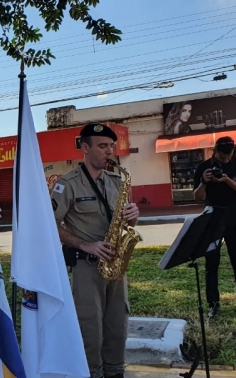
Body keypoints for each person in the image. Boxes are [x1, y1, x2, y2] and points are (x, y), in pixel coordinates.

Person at [50, 123, 140, 378]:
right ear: (85, 148)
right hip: (86, 266)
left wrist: (133, 217)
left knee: (117, 325)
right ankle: (91, 373)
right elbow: (50, 224)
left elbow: (125, 223)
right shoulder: (67, 184)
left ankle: (114, 372)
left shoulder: (116, 181)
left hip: (115, 264)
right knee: (90, 327)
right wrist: (84, 244)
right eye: (102, 146)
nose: (109, 151)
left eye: (111, 146)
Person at [193, 136, 236, 319]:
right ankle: (213, 305)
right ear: (215, 151)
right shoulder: (204, 167)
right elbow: (197, 196)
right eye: (222, 158)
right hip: (212, 222)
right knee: (211, 265)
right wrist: (203, 182)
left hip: (235, 219)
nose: (226, 160)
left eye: (229, 157)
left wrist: (228, 180)